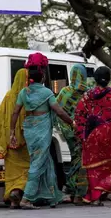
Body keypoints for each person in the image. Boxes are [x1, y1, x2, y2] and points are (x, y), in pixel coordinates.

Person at [9, 55, 73, 209]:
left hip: (29, 129)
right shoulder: (46, 93)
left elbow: (15, 113)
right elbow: (59, 111)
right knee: (38, 163)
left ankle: (51, 197)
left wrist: (12, 131)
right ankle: (27, 198)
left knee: (46, 161)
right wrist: (72, 122)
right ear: (43, 76)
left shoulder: (24, 93)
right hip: (42, 129)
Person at [74, 66, 111, 206]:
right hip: (109, 133)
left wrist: (81, 134)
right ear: (109, 79)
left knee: (94, 167)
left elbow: (79, 115)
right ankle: (109, 190)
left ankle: (96, 197)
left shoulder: (87, 96)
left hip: (92, 134)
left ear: (95, 79)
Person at [0, 68, 30, 208]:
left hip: (10, 142)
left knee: (12, 173)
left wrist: (5, 136)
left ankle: (13, 198)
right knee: (27, 169)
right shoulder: (28, 95)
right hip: (25, 142)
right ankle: (20, 193)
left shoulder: (8, 96)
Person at [56, 64, 90, 205]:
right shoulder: (88, 94)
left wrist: (66, 127)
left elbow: (58, 110)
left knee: (74, 159)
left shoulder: (64, 92)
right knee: (82, 161)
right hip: (84, 133)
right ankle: (79, 193)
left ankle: (71, 190)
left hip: (69, 133)